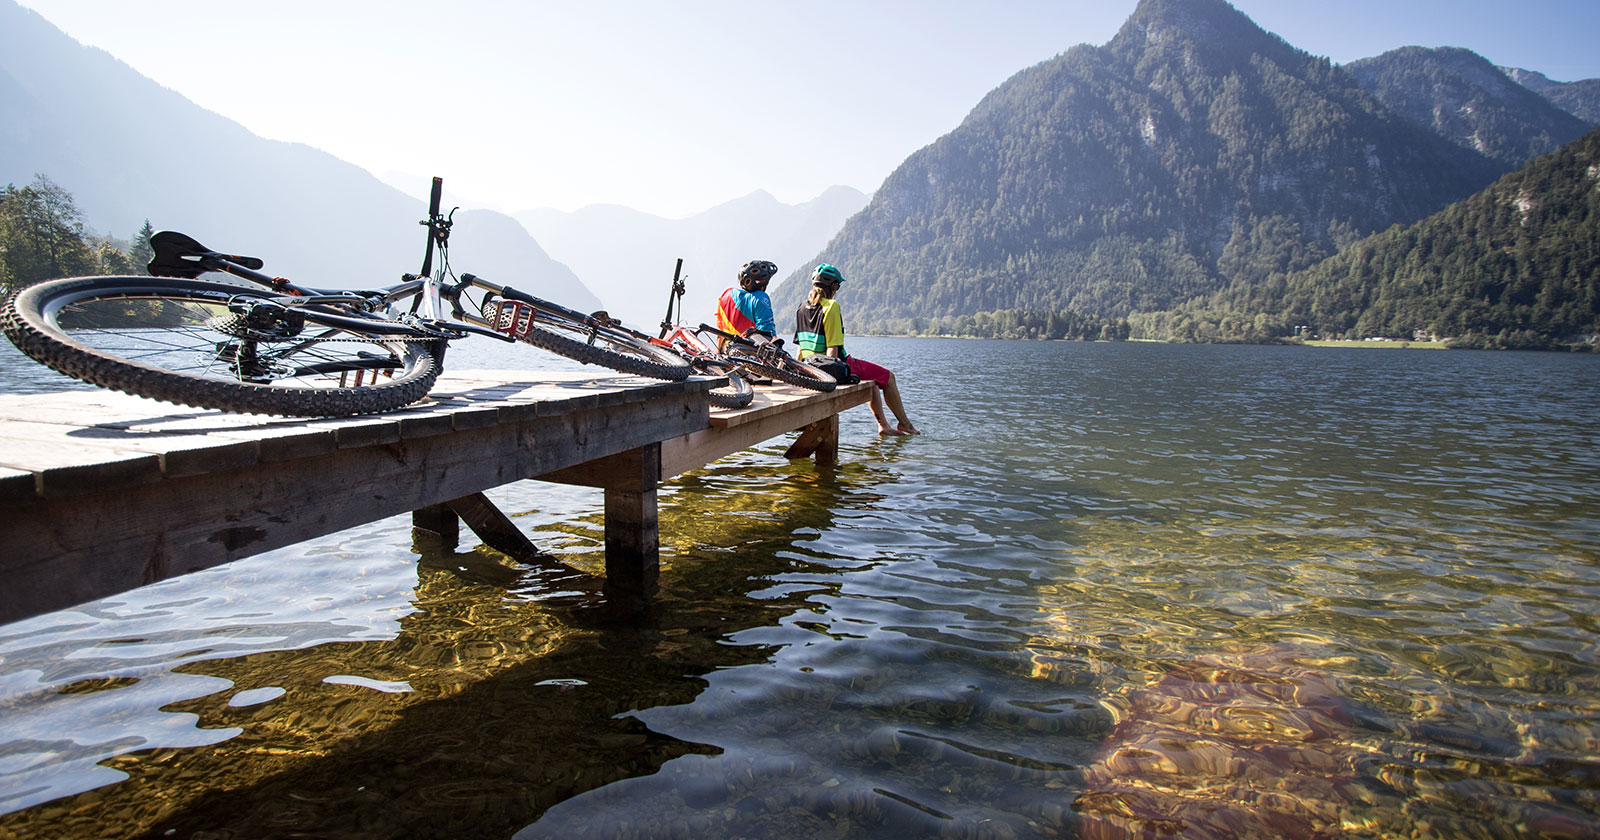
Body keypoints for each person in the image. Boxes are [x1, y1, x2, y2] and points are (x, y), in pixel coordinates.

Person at [794, 264, 918, 436]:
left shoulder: (801, 307)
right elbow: (832, 349)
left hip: (809, 368)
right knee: (888, 377)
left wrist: (800, 371)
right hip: (832, 367)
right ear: (833, 286)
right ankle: (905, 425)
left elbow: (800, 347)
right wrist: (830, 378)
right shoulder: (831, 306)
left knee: (873, 381)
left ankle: (883, 425)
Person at [715, 260, 778, 345]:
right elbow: (767, 334)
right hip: (748, 354)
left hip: (728, 351)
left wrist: (718, 354)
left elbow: (720, 333)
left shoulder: (726, 295)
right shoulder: (760, 298)